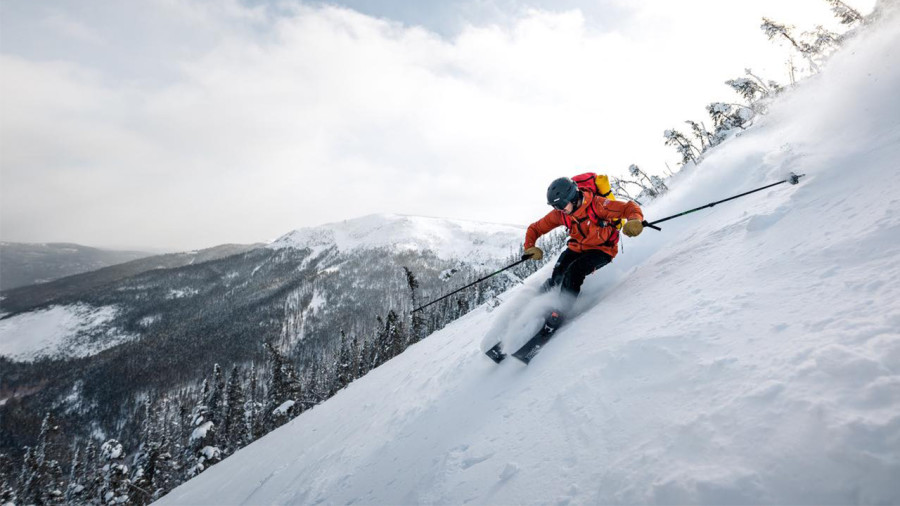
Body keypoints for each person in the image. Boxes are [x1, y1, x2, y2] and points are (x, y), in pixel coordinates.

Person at [522, 177, 645, 325]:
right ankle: (536, 304)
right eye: (555, 206)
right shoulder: (562, 214)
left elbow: (629, 208)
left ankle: (560, 311)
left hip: (602, 250)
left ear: (573, 197)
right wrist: (529, 246)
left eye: (561, 204)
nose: (559, 209)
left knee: (575, 271)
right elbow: (535, 228)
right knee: (559, 273)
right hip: (577, 247)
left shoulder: (598, 205)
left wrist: (635, 220)